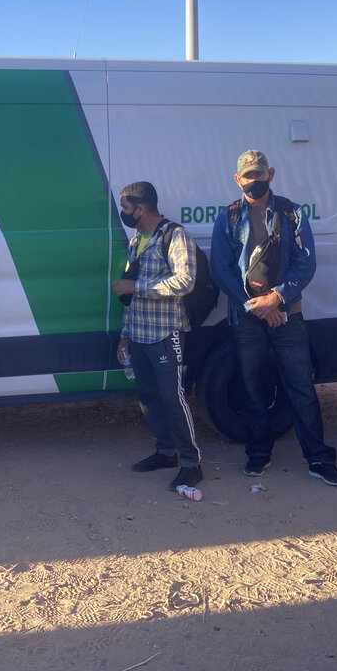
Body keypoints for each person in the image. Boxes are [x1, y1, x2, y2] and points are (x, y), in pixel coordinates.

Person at [209, 150, 337, 486]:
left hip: (288, 315)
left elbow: (306, 262)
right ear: (237, 179)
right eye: (248, 176)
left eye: (260, 174)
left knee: (301, 387)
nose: (254, 181)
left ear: (271, 173)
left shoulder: (292, 213)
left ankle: (318, 458)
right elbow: (220, 269)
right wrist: (252, 304)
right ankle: (258, 454)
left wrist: (277, 298)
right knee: (251, 387)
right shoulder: (227, 217)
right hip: (247, 317)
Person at [111, 181, 203, 491]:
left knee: (172, 398)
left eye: (126, 208)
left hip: (166, 333)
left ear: (141, 207)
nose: (124, 213)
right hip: (139, 335)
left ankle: (192, 463)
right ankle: (166, 453)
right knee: (149, 398)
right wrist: (125, 335)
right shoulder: (137, 238)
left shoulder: (175, 236)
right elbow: (129, 292)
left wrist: (137, 287)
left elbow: (185, 282)